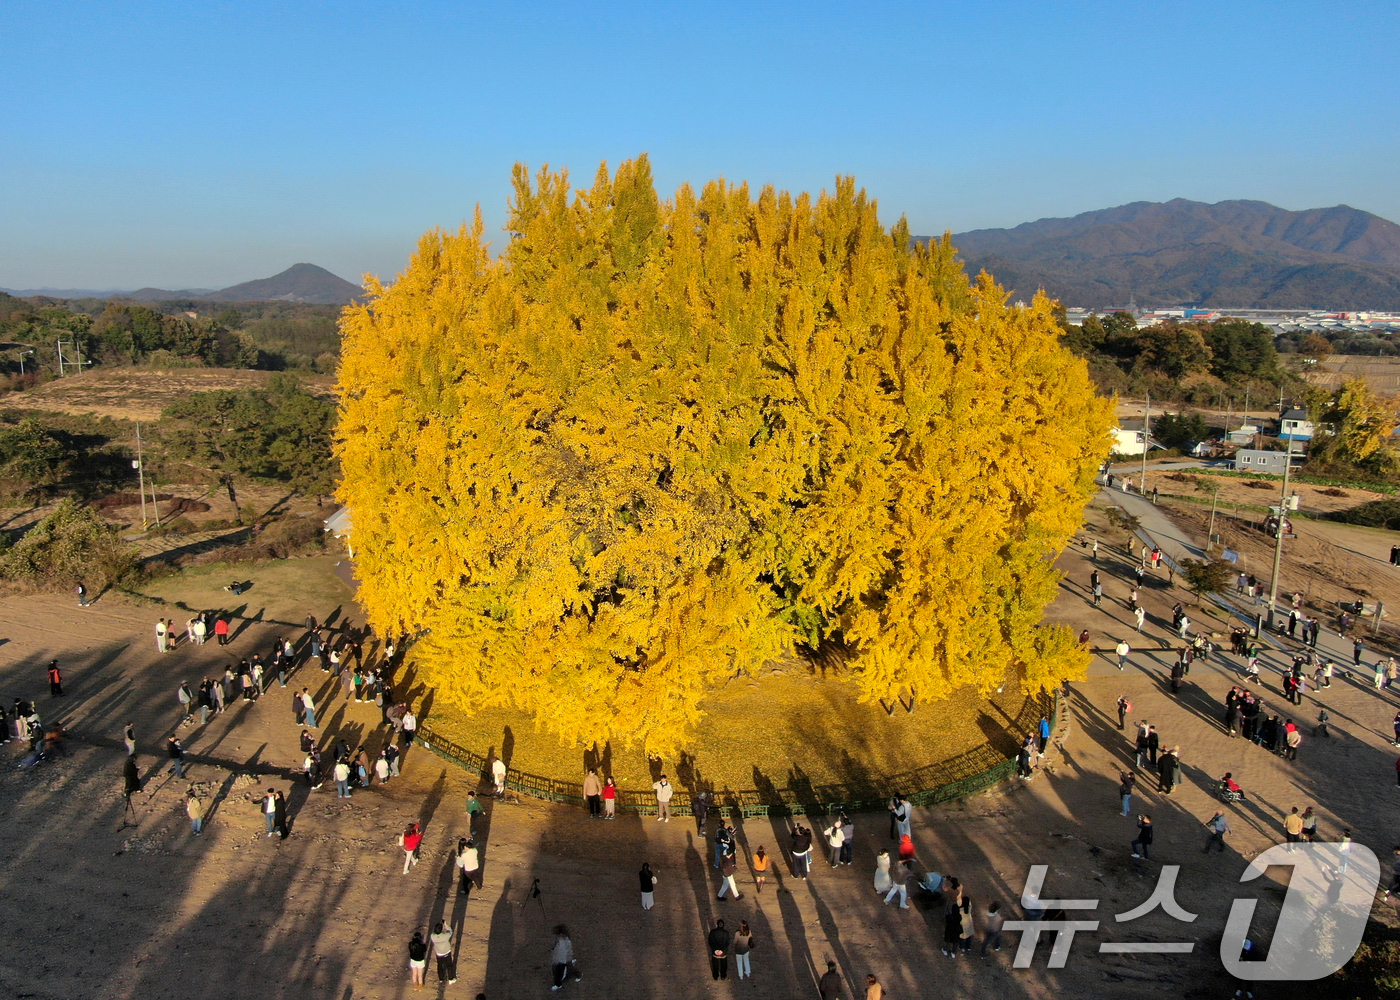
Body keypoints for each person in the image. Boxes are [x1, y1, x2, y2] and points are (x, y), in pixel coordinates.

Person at [550, 925, 580, 990]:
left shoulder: (565, 941)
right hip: (560, 959)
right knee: (566, 969)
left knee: (559, 972)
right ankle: (577, 975)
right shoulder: (559, 940)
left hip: (562, 960)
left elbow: (566, 951)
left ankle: (558, 984)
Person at [430, 920, 456, 985]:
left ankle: (441, 979)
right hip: (446, 952)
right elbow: (450, 931)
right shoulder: (445, 936)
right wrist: (445, 925)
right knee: (449, 965)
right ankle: (451, 979)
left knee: (440, 966)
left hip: (439, 953)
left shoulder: (432, 936)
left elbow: (433, 933)